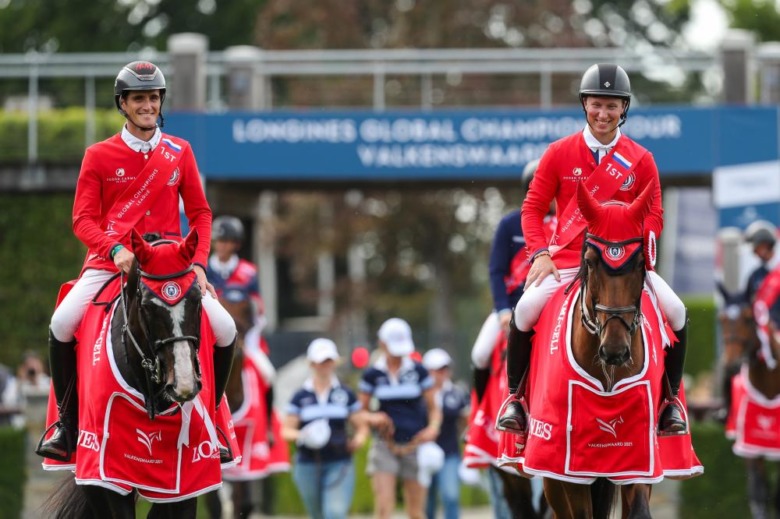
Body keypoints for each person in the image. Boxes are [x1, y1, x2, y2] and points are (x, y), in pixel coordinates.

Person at [37, 61, 237, 462]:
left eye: (153, 98)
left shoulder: (179, 152)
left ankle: (213, 423)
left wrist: (198, 263)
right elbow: (83, 219)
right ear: (123, 104)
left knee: (227, 327)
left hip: (170, 264)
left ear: (160, 102)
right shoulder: (98, 155)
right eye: (139, 99)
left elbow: (200, 214)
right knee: (61, 323)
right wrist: (114, 249)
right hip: (111, 261)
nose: (147, 105)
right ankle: (68, 423)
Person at [496, 63, 689, 436]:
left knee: (678, 312)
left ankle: (670, 403)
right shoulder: (558, 153)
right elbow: (533, 209)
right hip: (570, 260)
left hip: (627, 265)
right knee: (524, 310)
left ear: (624, 109)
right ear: (585, 104)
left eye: (612, 106)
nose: (604, 114)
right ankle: (516, 399)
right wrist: (540, 253)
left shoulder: (641, 159)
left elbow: (655, 214)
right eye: (597, 104)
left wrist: (639, 252)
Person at [359, 318, 443, 519]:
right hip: (384, 444)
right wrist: (373, 417)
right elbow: (360, 412)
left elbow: (434, 409)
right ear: (382, 344)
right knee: (383, 507)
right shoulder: (372, 374)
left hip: (415, 444)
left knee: (416, 511)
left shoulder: (418, 371)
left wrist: (433, 427)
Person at [282, 338, 369, 519]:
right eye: (321, 361)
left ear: (335, 362)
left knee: (335, 513)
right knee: (317, 514)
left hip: (339, 461)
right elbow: (286, 430)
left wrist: (359, 440)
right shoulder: (300, 396)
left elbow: (361, 426)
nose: (324, 365)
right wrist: (304, 435)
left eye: (328, 360)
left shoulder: (344, 393)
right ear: (312, 364)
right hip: (307, 462)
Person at [421, 348, 469, 519]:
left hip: (449, 451)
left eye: (444, 368)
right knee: (426, 503)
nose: (442, 373)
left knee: (451, 496)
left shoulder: (456, 393)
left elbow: (465, 420)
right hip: (422, 452)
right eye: (437, 369)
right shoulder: (419, 394)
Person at [207, 215, 266, 340]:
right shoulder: (203, 270)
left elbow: (258, 308)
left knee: (261, 360)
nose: (221, 245)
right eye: (218, 240)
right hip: (210, 334)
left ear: (236, 244)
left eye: (226, 241)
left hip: (244, 336)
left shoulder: (249, 272)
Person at [745, 220, 779, 304]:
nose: (754, 251)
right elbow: (747, 298)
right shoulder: (755, 275)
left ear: (767, 245)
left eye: (757, 247)